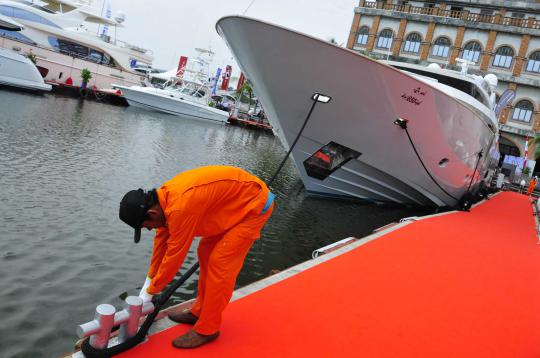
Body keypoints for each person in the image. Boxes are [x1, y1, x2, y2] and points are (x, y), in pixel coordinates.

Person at [119, 166, 274, 349]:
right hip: (232, 206)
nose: (151, 229)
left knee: (220, 263)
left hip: (253, 206)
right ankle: (199, 311)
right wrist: (150, 279)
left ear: (152, 214)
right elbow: (161, 246)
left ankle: (208, 329)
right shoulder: (162, 201)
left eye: (148, 226)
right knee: (205, 252)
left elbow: (175, 255)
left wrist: (151, 292)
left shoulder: (180, 208)